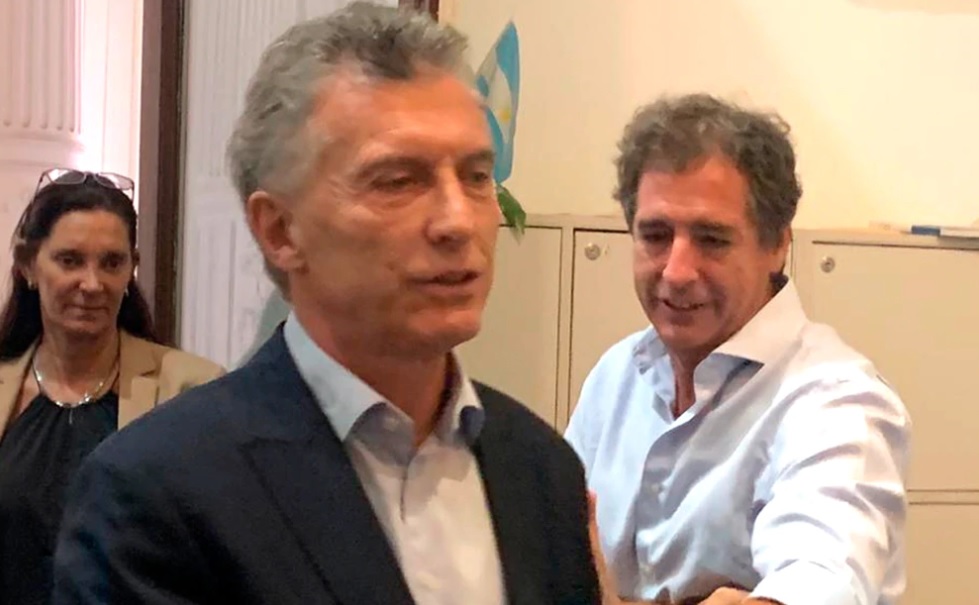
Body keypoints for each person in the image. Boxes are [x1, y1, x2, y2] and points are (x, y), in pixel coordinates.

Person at [52, 3, 600, 604]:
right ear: (280, 230)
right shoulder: (158, 493)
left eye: (475, 177)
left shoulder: (542, 471)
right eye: (398, 181)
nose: (457, 221)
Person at [566, 94, 911, 605]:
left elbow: (821, 580)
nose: (676, 271)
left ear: (777, 246)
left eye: (711, 239)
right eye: (655, 235)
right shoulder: (617, 375)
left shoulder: (837, 402)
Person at [0, 168, 225, 604]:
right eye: (70, 261)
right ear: (28, 265)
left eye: (111, 263)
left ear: (131, 270)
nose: (92, 283)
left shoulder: (192, 389)